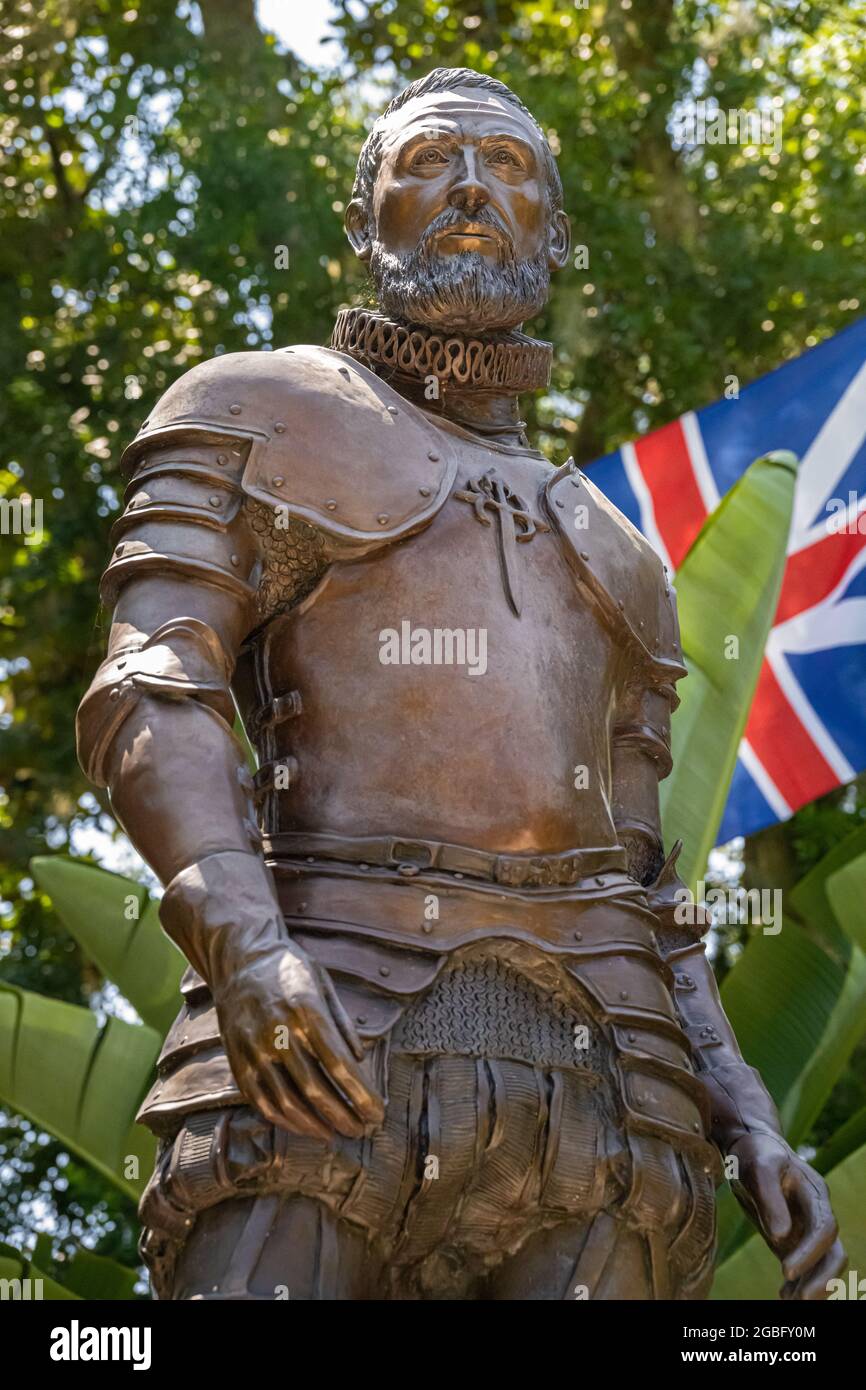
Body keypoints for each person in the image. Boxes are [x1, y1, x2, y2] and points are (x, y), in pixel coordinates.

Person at [76, 67, 844, 1300]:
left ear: (556, 235)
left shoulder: (616, 551)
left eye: (513, 170)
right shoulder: (254, 411)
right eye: (430, 160)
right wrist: (243, 942)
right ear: (359, 215)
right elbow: (152, 688)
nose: (475, 187)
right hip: (318, 1017)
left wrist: (740, 1100)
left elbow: (645, 881)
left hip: (611, 1084)